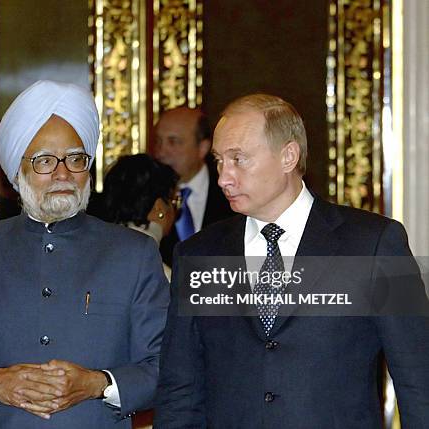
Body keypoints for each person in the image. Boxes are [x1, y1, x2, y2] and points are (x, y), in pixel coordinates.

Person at [153, 94, 429, 428]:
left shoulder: (374, 243)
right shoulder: (198, 254)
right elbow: (179, 388)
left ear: (288, 156)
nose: (225, 177)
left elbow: (417, 376)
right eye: (219, 161)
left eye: (239, 159)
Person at [0, 80, 170, 428]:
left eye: (75, 159)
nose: (63, 173)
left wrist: (98, 384)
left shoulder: (133, 253)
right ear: (17, 171)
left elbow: (165, 367)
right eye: (44, 161)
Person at [153, 107, 235, 266]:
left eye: (173, 142)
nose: (161, 152)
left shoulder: (231, 190)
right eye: (158, 141)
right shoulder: (147, 194)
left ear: (203, 147)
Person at [102, 154, 179, 280]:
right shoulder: (163, 278)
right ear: (159, 208)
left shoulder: (93, 256)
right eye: (176, 202)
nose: (176, 211)